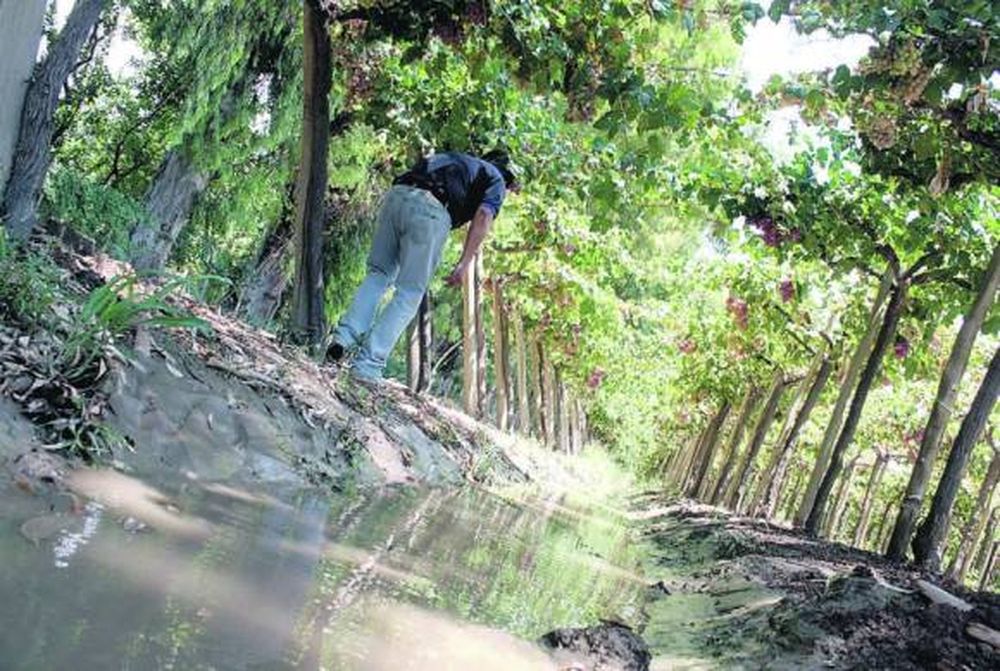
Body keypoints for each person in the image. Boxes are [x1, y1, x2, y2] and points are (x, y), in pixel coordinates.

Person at [327, 148, 519, 381]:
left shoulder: (457, 160)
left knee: (378, 274)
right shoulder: (496, 179)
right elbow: (484, 216)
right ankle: (368, 366)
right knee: (409, 292)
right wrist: (465, 263)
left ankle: (342, 340)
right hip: (431, 210)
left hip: (396, 196)